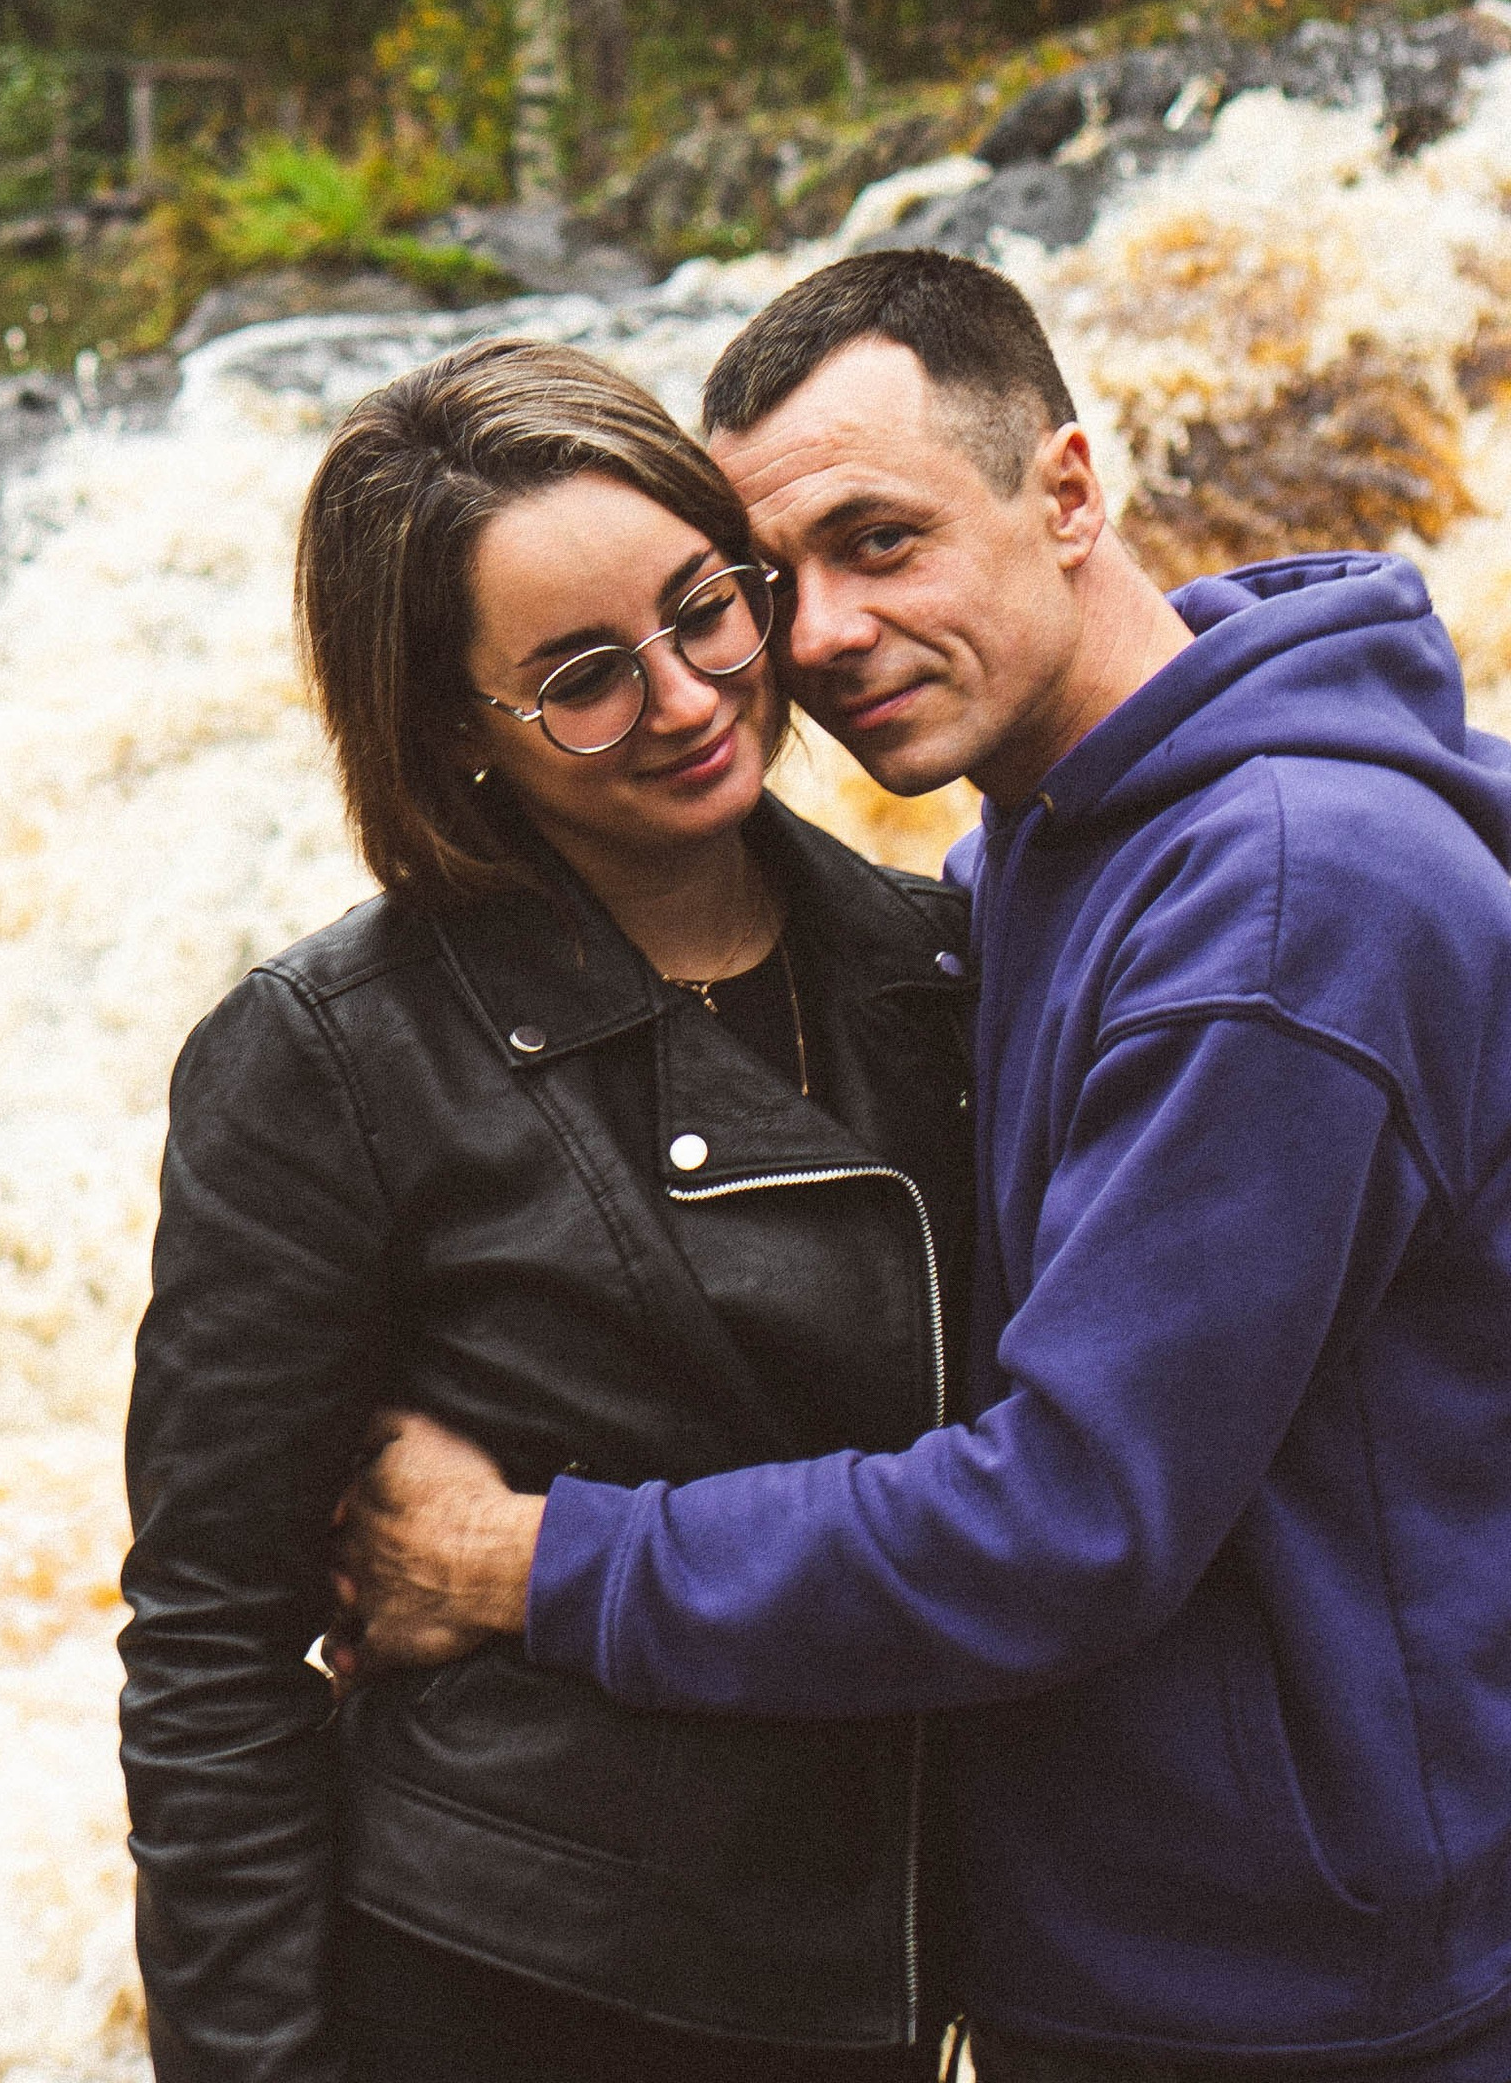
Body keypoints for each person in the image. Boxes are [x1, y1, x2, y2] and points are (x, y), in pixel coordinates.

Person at [333, 249, 1511, 2083]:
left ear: (1066, 489)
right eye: (770, 580)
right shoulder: (1039, 853)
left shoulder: (1284, 906)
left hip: (1305, 2002)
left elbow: (1068, 1518)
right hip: (1131, 1946)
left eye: (881, 541)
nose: (814, 639)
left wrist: (526, 1562)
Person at [119, 336, 976, 2083]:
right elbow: (211, 1654)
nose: (683, 696)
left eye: (705, 609)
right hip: (515, 1988)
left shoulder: (938, 967)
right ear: (451, 724)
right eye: (581, 674)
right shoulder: (328, 1059)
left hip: (899, 1983)